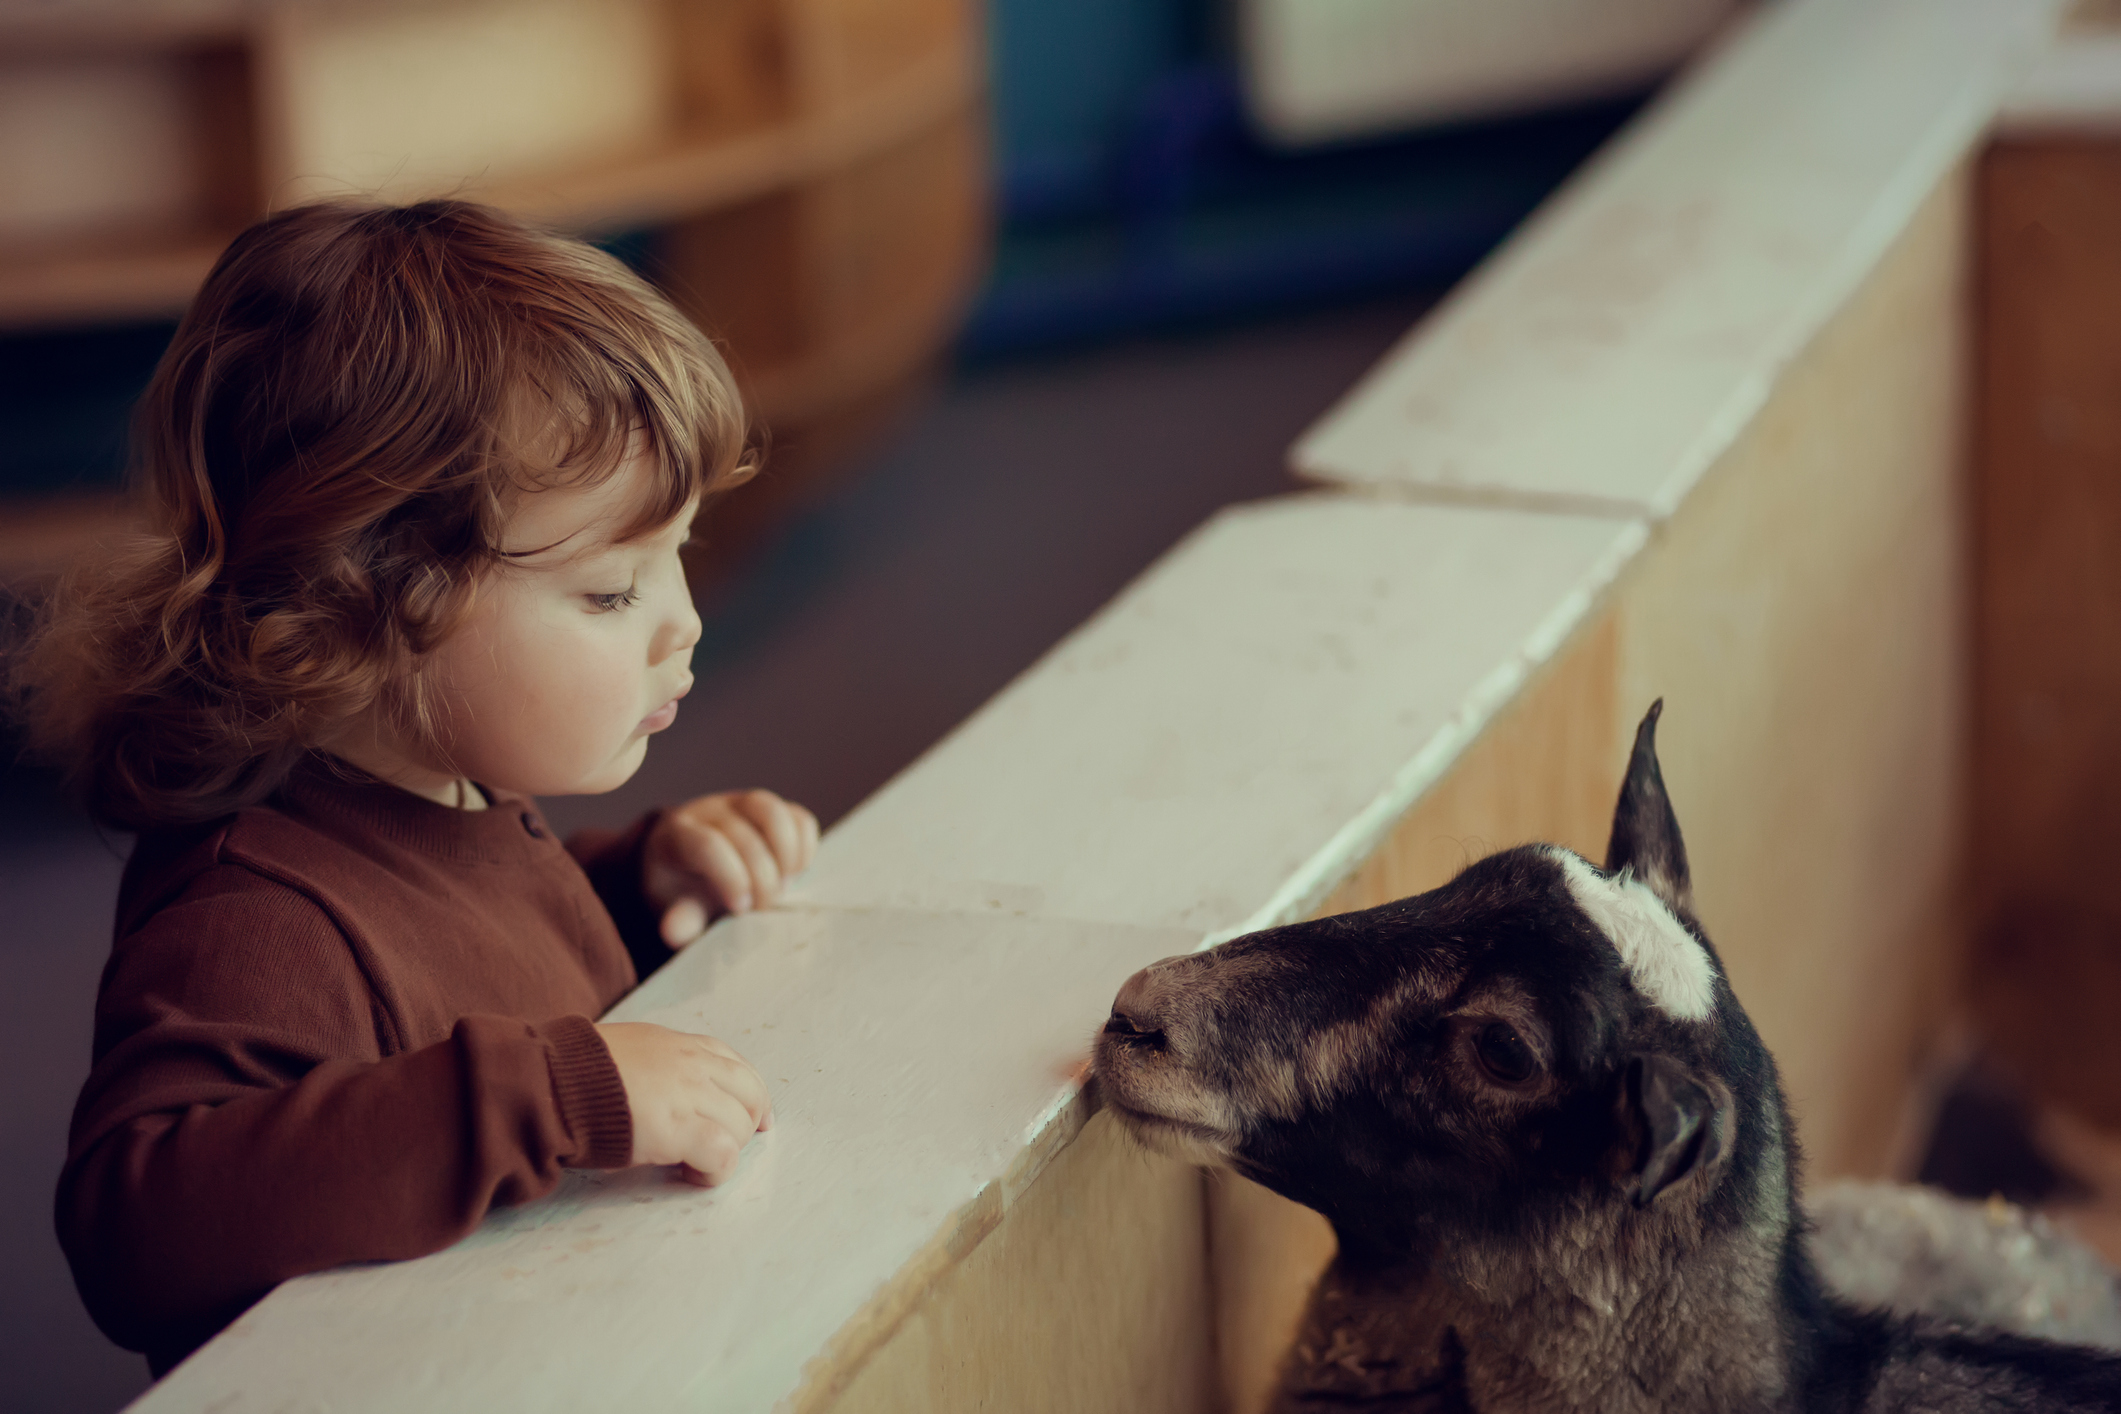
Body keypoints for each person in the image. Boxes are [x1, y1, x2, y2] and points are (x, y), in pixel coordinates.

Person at [9, 200, 819, 1375]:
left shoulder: (433, 787)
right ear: (375, 595)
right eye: (609, 592)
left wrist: (635, 886)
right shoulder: (254, 919)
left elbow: (441, 955)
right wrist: (552, 1096)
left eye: (676, 557)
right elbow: (137, 1224)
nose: (683, 623)